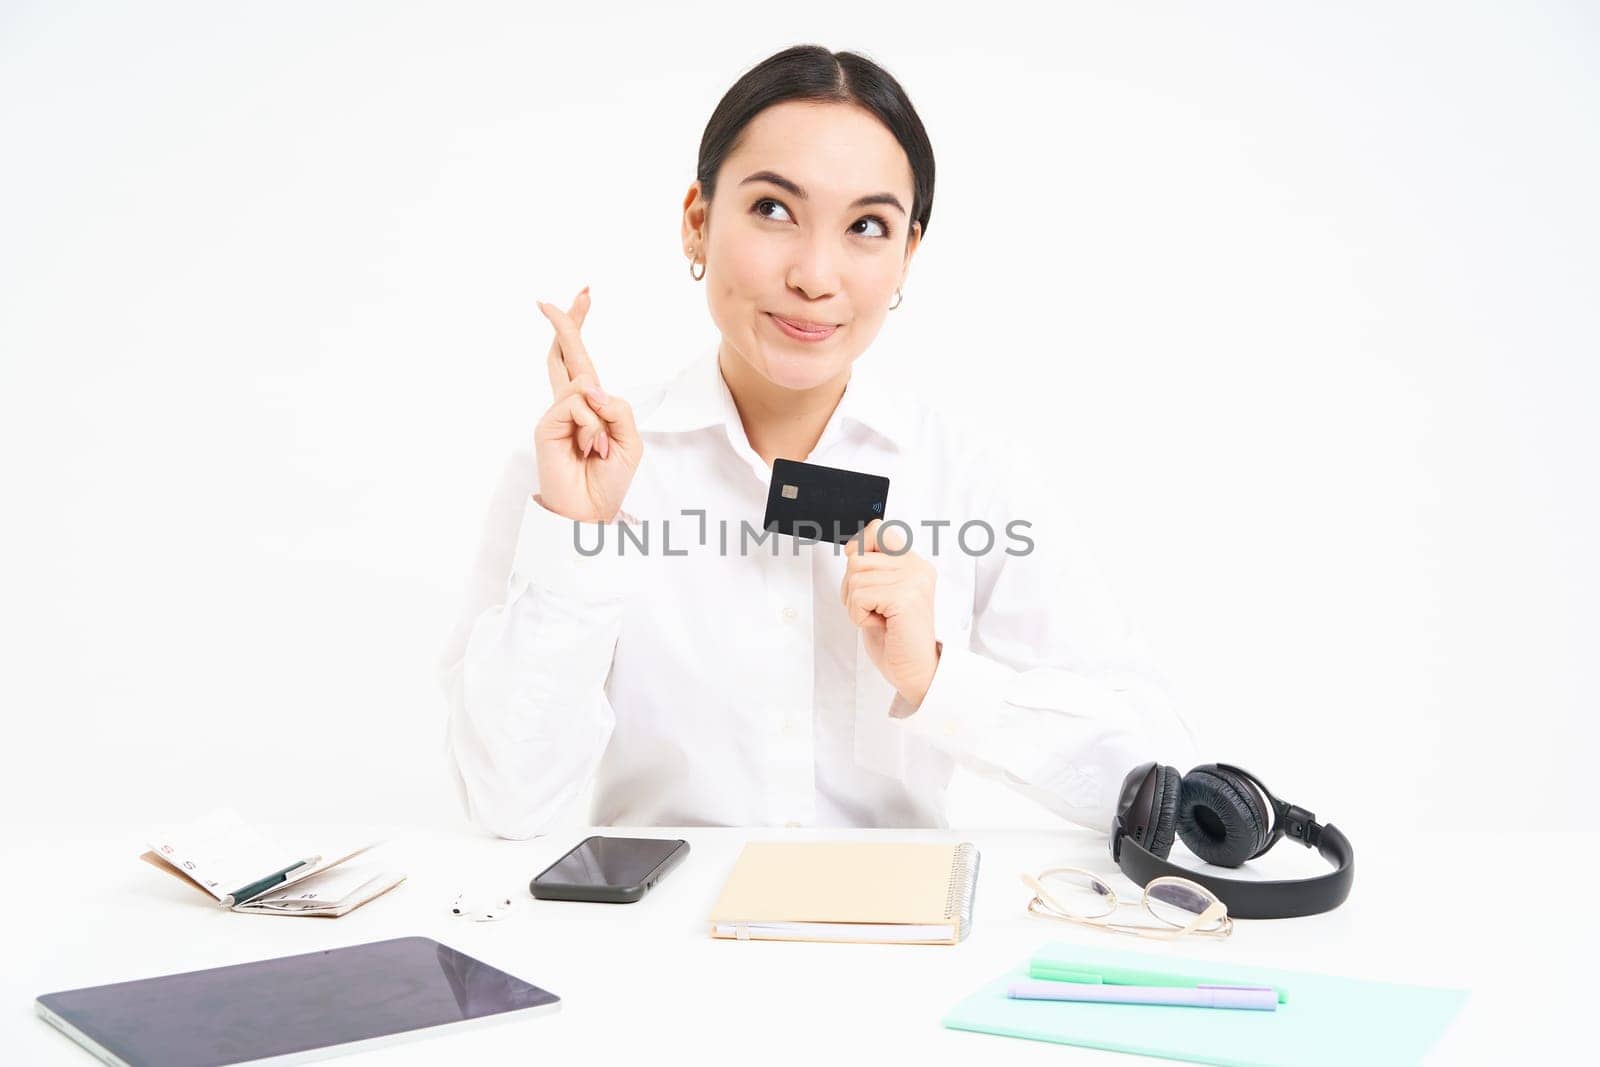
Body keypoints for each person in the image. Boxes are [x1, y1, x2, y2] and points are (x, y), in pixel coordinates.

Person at [437, 44, 1198, 840]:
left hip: (903, 946)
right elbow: (507, 808)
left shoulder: (975, 478)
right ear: (698, 222)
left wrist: (938, 677)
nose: (815, 274)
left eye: (866, 227)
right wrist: (579, 538)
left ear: (906, 256)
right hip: (652, 947)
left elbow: (1169, 787)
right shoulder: (569, 471)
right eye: (773, 209)